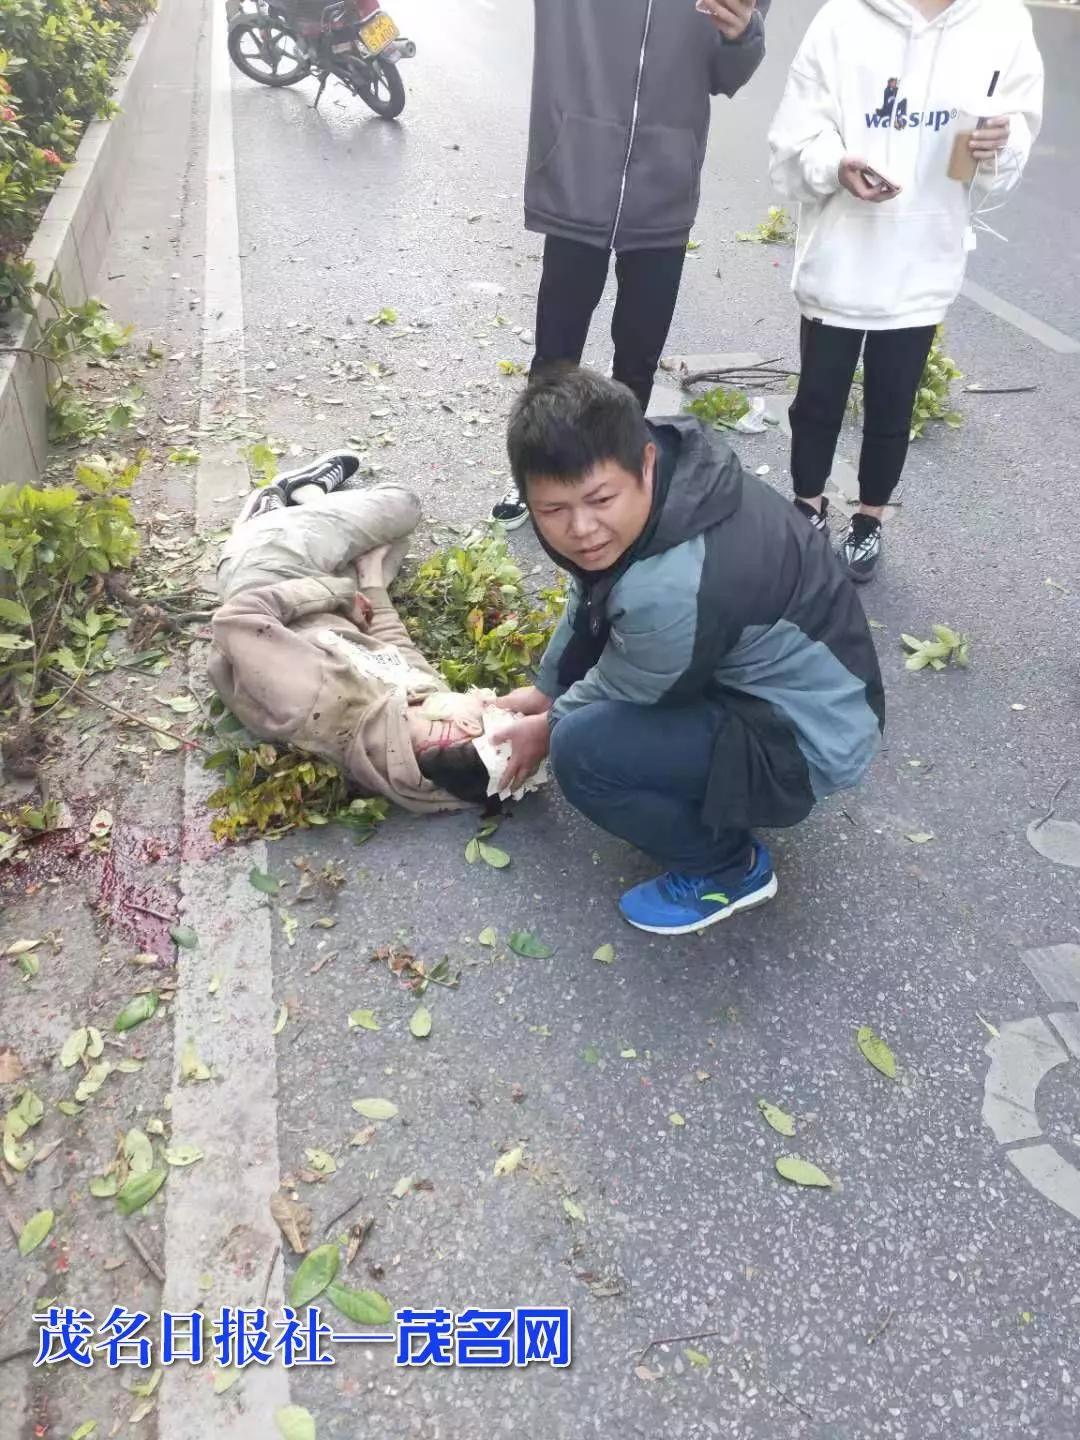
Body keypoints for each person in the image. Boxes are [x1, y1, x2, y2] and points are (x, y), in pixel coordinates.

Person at [490, 367, 885, 936]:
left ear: (643, 465)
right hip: (758, 678)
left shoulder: (672, 581)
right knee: (578, 715)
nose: (582, 529)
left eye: (599, 499)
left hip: (809, 738)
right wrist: (545, 687)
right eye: (552, 511)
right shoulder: (662, 476)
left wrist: (548, 725)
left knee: (582, 751)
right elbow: (590, 599)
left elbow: (631, 684)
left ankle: (728, 868)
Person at [768, 0, 1044, 582]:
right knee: (818, 399)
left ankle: (869, 523)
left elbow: (1014, 132)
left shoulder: (1002, 22)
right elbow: (795, 135)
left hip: (924, 256)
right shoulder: (841, 19)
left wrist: (1001, 142)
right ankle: (807, 508)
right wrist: (837, 163)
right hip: (840, 255)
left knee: (893, 405)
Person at [491, 0, 772, 531]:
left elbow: (727, 74)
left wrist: (743, 35)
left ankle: (621, 481)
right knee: (556, 353)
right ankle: (538, 470)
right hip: (576, 171)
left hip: (665, 186)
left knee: (638, 357)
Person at [209, 461, 529, 813]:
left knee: (403, 505)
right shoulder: (424, 740)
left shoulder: (318, 697)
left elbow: (237, 617)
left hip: (269, 575)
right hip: (328, 609)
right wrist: (372, 583)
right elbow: (397, 649)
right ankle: (310, 511)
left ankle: (266, 513)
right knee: (390, 547)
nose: (484, 693)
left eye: (488, 703)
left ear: (467, 725)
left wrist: (340, 594)